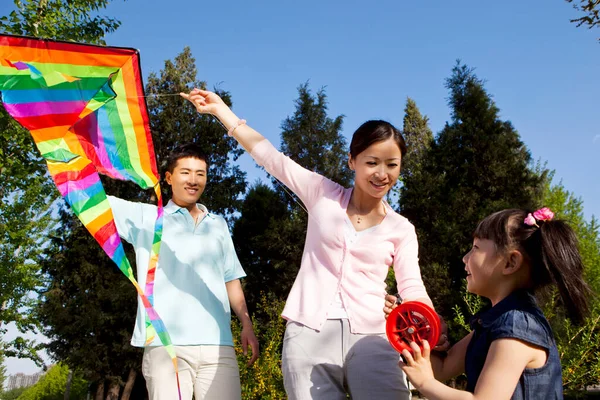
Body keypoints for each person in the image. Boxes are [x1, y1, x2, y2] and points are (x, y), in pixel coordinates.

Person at [181, 88, 438, 400]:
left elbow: (413, 286)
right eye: (372, 162)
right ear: (352, 161)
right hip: (309, 335)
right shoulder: (322, 193)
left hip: (373, 339)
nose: (382, 174)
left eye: (392, 165)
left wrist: (425, 320)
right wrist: (223, 112)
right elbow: (270, 157)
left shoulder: (402, 229)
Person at [386, 207, 590, 400]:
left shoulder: (517, 326)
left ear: (510, 263)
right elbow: (442, 368)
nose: (465, 258)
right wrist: (406, 326)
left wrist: (424, 383)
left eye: (476, 248)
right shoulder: (494, 321)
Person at [108, 143, 259, 400]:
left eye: (200, 173)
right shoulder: (146, 218)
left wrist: (247, 324)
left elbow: (230, 278)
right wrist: (62, 153)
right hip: (166, 346)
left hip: (218, 346)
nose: (193, 180)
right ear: (168, 178)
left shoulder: (218, 224)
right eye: (185, 172)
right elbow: (86, 195)